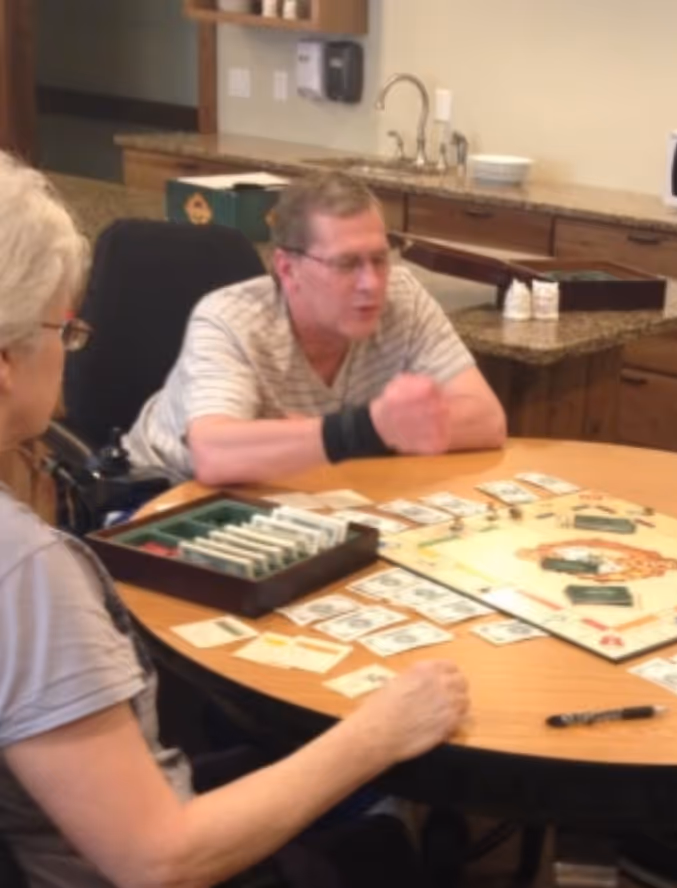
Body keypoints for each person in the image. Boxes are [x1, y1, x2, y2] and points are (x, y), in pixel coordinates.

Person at [0, 153, 469, 887]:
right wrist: (379, 732)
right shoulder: (26, 571)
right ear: (6, 362)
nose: (70, 353)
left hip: (77, 808)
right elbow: (161, 859)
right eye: (66, 329)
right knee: (380, 850)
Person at [124, 171, 506, 486]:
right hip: (159, 493)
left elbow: (487, 420)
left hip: (301, 489)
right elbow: (214, 455)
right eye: (346, 264)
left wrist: (334, 434)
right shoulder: (228, 319)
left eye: (379, 259)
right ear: (289, 269)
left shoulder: (403, 297)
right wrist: (370, 429)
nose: (371, 283)